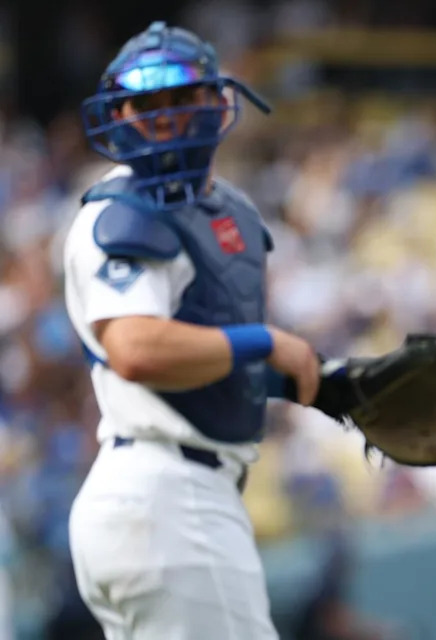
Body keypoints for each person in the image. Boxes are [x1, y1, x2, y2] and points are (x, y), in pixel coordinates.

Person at [64, 21, 321, 638]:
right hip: (166, 499)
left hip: (180, 501)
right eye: (144, 103)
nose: (162, 117)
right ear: (116, 113)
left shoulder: (224, 209)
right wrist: (267, 342)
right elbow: (135, 348)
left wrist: (329, 387)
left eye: (179, 98)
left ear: (217, 100)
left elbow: (207, 357)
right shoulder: (124, 212)